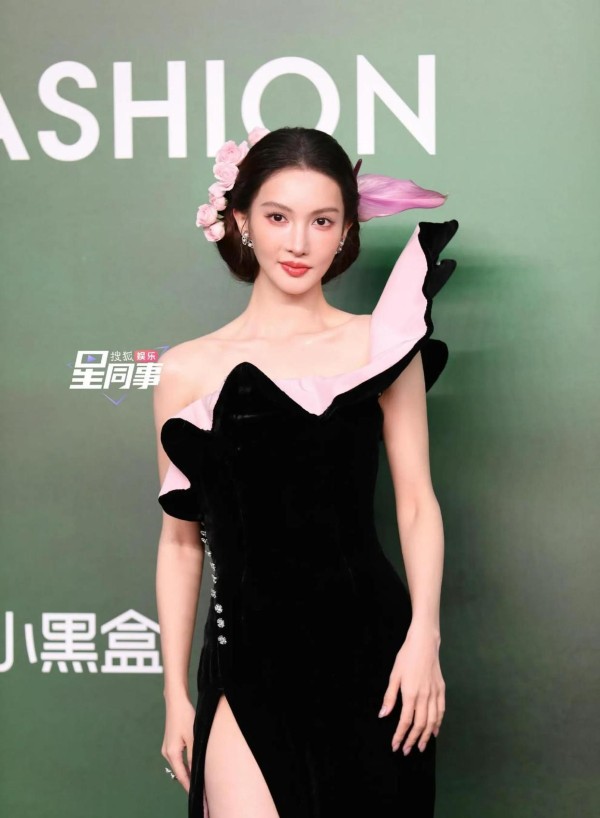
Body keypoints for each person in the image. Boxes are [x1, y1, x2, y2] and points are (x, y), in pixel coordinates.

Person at [153, 125, 459, 818]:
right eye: (277, 217)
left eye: (322, 221)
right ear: (241, 220)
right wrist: (175, 694)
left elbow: (417, 503)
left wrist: (424, 638)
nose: (298, 243)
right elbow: (179, 542)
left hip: (375, 659)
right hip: (246, 661)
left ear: (346, 229)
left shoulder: (383, 344)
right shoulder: (186, 369)